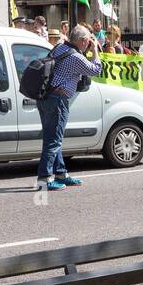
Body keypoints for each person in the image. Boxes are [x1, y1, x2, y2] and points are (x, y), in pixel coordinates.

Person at [36, 25, 104, 191]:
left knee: (53, 137)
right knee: (54, 140)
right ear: (82, 41)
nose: (90, 43)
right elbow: (96, 69)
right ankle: (44, 180)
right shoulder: (75, 57)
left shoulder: (60, 47)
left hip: (45, 97)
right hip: (57, 99)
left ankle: (61, 174)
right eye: (88, 40)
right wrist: (95, 50)